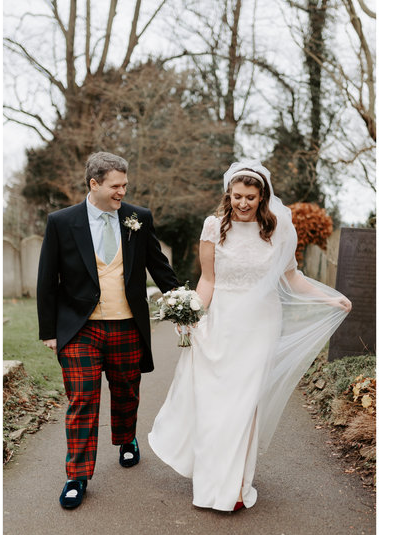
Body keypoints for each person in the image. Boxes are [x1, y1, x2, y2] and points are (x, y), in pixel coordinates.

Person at [148, 159, 351, 512]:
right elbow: (208, 279)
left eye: (251, 197)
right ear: (229, 194)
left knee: (244, 406)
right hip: (222, 324)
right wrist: (192, 311)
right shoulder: (213, 227)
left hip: (260, 325)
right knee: (216, 405)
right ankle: (212, 481)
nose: (243, 203)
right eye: (237, 196)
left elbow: (293, 279)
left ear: (263, 197)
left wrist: (329, 297)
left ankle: (237, 486)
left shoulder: (280, 231)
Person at [37, 151, 181, 510]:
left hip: (127, 326)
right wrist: (48, 331)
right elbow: (46, 279)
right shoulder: (62, 221)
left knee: (126, 392)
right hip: (79, 329)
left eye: (125, 186)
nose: (122, 192)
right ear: (94, 184)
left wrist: (183, 304)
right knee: (83, 400)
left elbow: (159, 268)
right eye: (116, 186)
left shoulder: (138, 218)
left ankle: (126, 438)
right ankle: (77, 476)